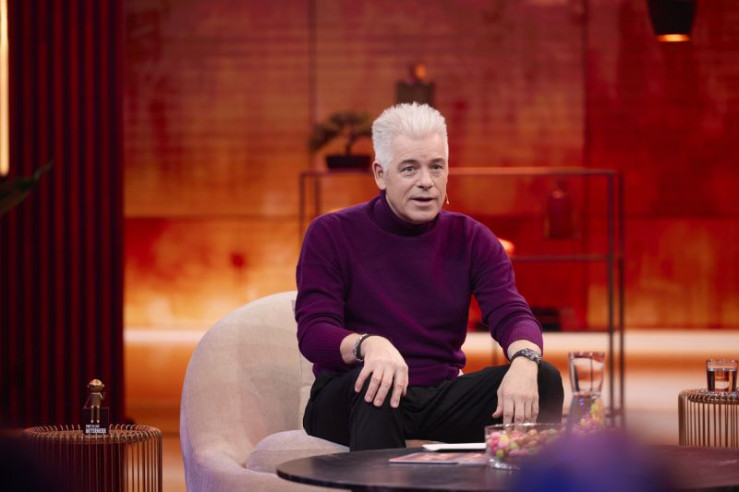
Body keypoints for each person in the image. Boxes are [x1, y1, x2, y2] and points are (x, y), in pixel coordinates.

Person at [296, 103, 563, 451]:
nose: (426, 182)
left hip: (437, 395)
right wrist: (368, 345)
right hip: (350, 393)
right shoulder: (331, 233)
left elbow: (511, 313)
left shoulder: (472, 238)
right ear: (380, 174)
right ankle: (382, 480)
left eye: (436, 167)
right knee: (378, 382)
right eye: (410, 168)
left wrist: (526, 360)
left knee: (544, 379)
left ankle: (526, 477)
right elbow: (314, 332)